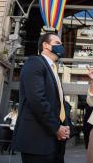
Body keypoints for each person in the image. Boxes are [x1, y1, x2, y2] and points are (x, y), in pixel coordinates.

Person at [12, 33, 70, 163]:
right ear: (45, 45)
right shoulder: (35, 63)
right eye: (57, 43)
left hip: (55, 143)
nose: (61, 46)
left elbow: (60, 103)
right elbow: (37, 99)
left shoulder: (53, 69)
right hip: (37, 142)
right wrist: (56, 128)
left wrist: (65, 124)